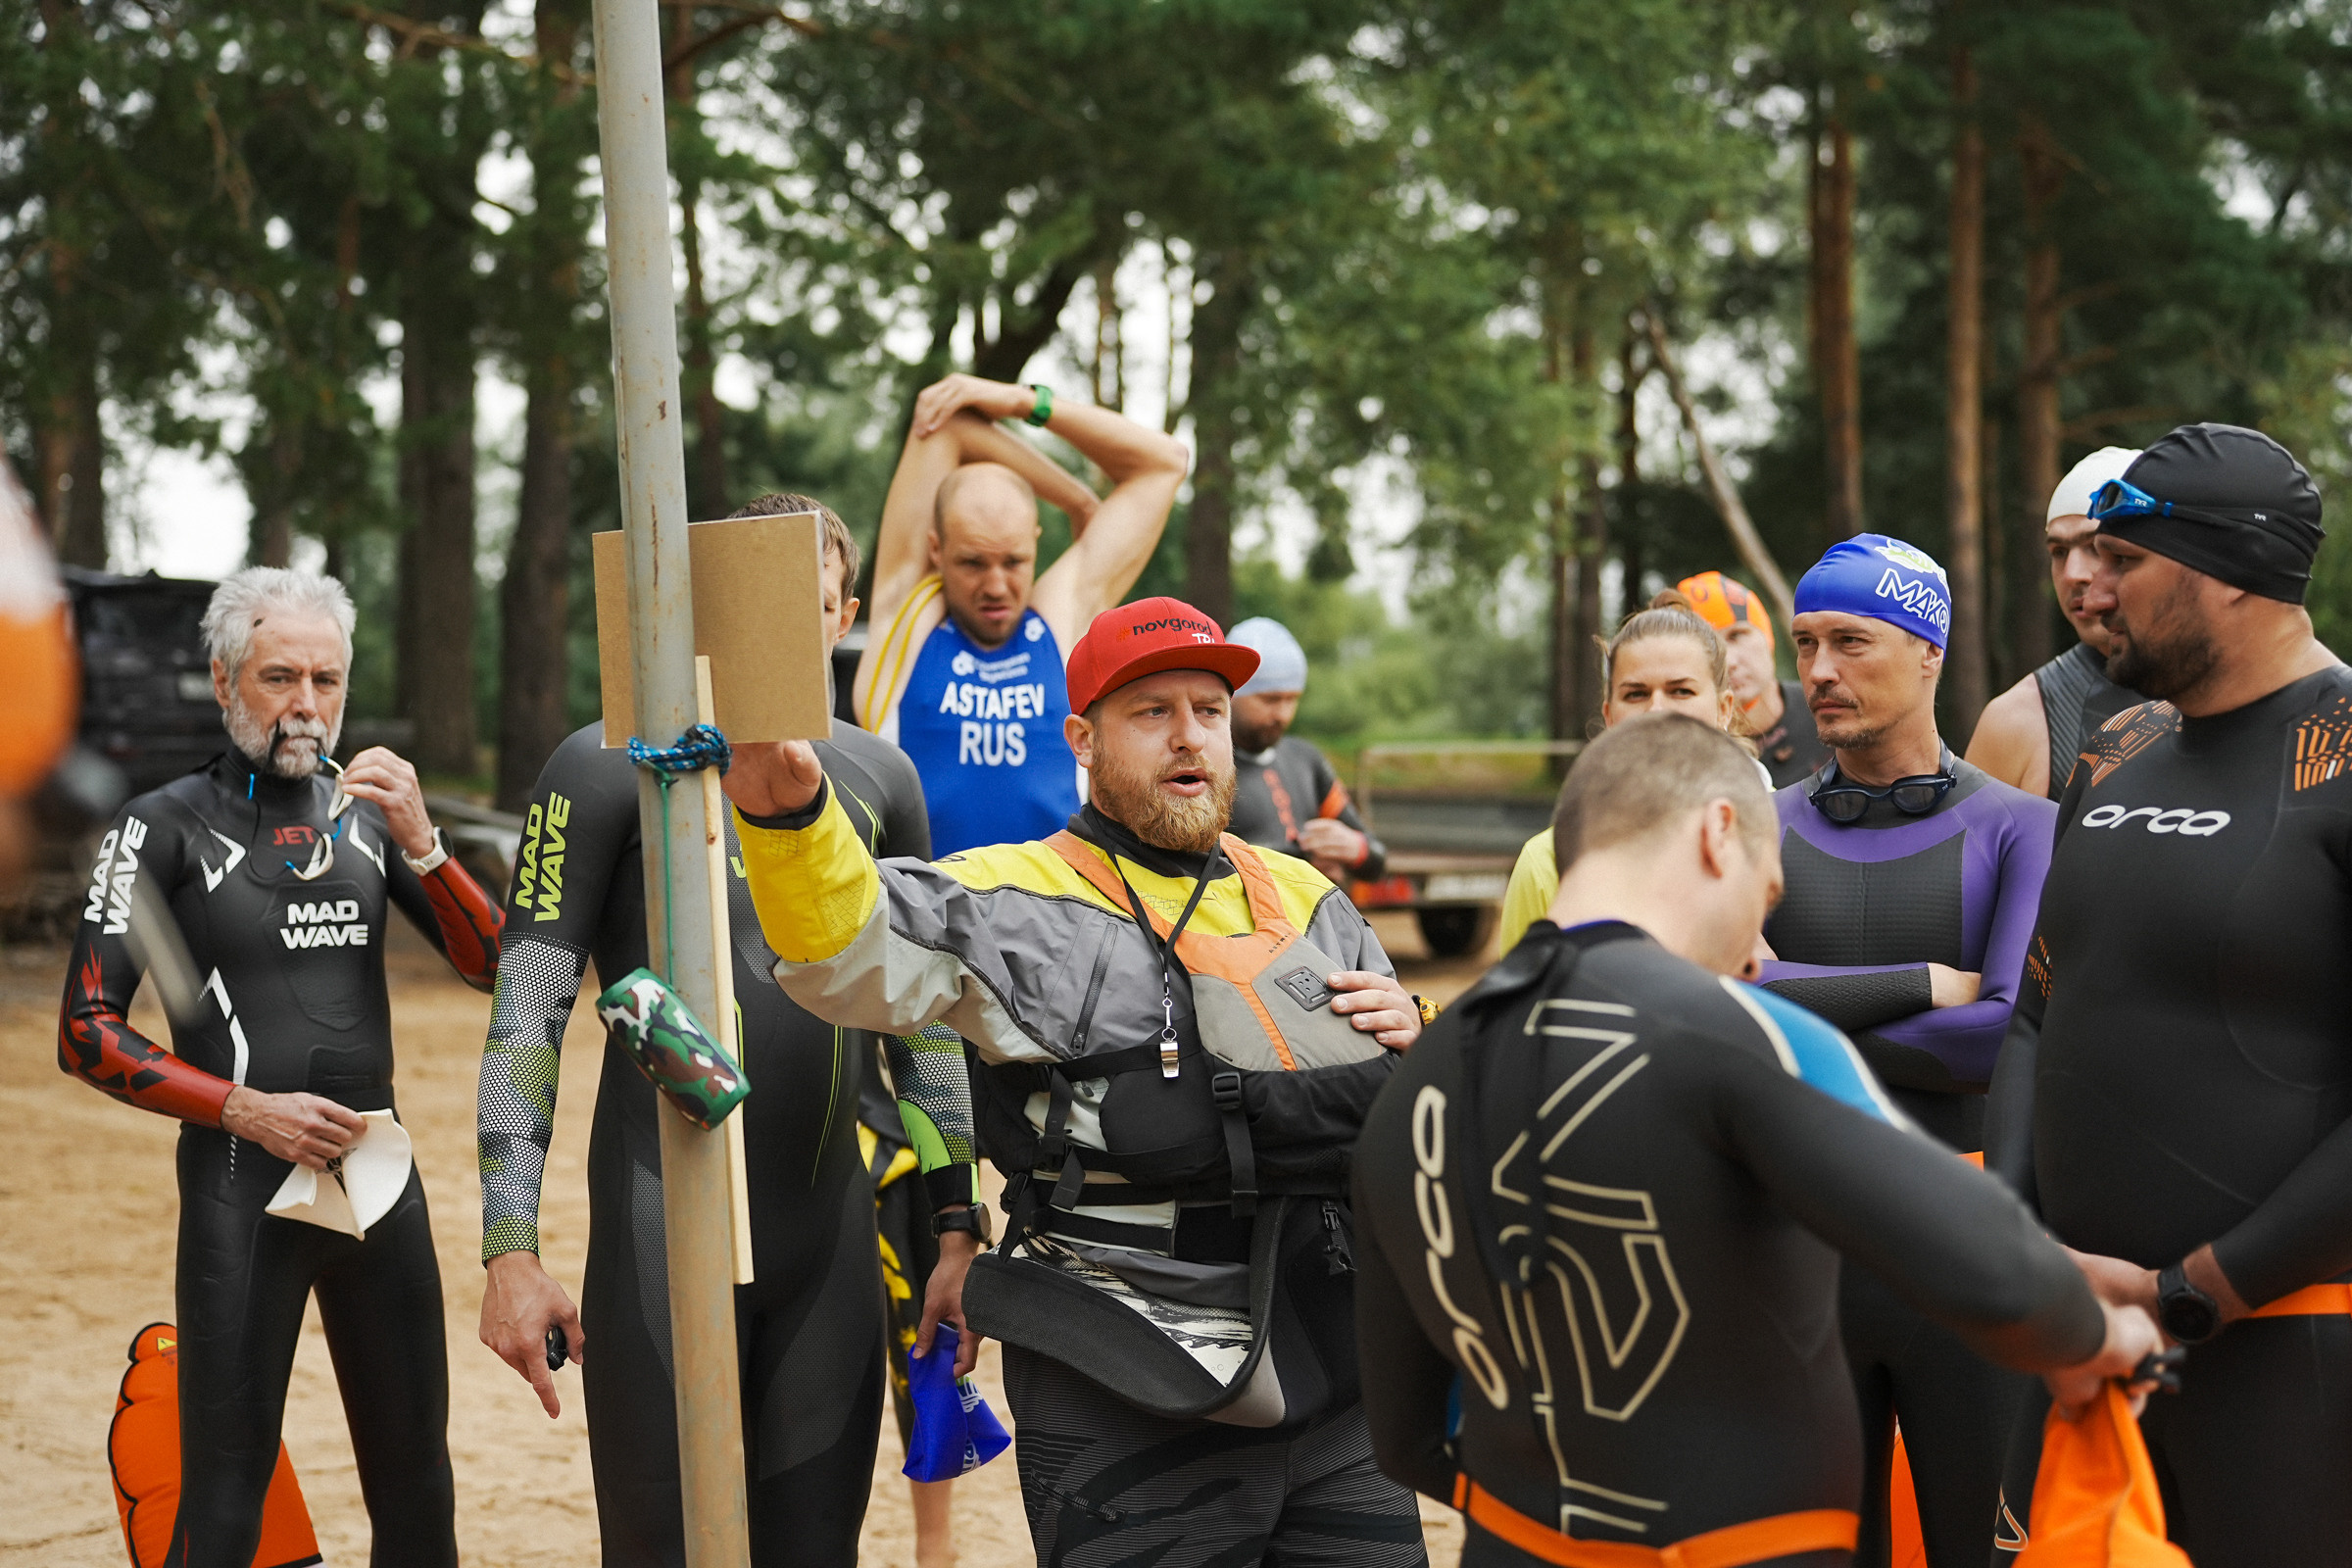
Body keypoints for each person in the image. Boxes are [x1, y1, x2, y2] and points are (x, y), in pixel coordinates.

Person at [1351, 714, 2160, 1568]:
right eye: (1766, 897)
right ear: (1717, 833)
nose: (1750, 962)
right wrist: (2090, 1334)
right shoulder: (1742, 1033)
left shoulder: (1418, 1078)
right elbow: (1977, 1248)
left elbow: (1404, 1437)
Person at [723, 598, 1435, 1568]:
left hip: (1331, 1362)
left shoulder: (1309, 898)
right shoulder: (1014, 896)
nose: (1189, 736)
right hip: (1123, 1361)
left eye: (1209, 710)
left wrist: (1424, 1031)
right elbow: (846, 954)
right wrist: (791, 817)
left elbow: (1416, 1112)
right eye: (1152, 712)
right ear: (1083, 740)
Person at [475, 495, 951, 1567]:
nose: (785, 630)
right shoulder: (603, 765)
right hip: (657, 1236)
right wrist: (510, 1249)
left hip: (824, 1248)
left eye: (811, 605)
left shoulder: (880, 779)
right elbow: (526, 1015)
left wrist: (956, 1225)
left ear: (844, 615)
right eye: (759, 605)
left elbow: (924, 1027)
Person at [58, 566, 504, 1568]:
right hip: (242, 1190)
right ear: (224, 681)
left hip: (379, 1186)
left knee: (420, 1501)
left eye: (326, 680)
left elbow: (500, 972)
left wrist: (427, 846)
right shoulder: (158, 824)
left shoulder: (371, 814)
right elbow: (84, 1028)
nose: (306, 704)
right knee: (224, 1510)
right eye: (279, 677)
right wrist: (244, 1110)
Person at [1984, 424, 2352, 1567]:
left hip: (2287, 1358)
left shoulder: (2345, 756)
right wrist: (2016, 1244)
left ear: (2228, 573)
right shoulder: (2119, 745)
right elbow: (2040, 1007)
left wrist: (2193, 1291)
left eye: (2123, 559)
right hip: (2087, 1349)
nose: (2090, 589)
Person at [1754, 535, 2056, 1568]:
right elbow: (1717, 1008)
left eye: (1851, 641)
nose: (1818, 671)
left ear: (1930, 650)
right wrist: (1927, 982)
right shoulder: (1758, 826)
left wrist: (1791, 1004)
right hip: (1798, 1250)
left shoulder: (2022, 826)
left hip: (1963, 1248)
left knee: (1980, 1549)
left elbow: (2000, 1042)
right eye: (1805, 643)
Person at [853, 373, 1189, 857]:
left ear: (1035, 544)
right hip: (922, 903)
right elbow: (944, 425)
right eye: (972, 563)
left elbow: (1165, 462)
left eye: (1013, 562)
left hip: (1054, 904)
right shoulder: (907, 617)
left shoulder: (1058, 620)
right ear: (937, 550)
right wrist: (1072, 497)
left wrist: (1023, 401)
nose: (995, 586)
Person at [1499, 590, 1762, 955]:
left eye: (1681, 691)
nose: (1656, 710)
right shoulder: (1547, 863)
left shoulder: (1777, 840)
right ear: (1609, 715)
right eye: (1636, 694)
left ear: (1724, 709)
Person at [1965, 449, 2146, 800]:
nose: (2072, 574)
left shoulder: (2234, 687)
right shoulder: (2016, 720)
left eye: (2095, 546)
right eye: (2059, 552)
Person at [1222, 616, 1387, 885]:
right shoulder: (1204, 768)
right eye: (1270, 699)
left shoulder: (1305, 760)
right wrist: (1303, 865)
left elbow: (1376, 862)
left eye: (1292, 699)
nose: (1283, 714)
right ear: (1231, 693)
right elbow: (1196, 869)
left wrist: (1355, 848)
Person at [1681, 568, 1830, 787]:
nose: (1728, 661)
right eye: (1706, 647)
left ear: (1767, 637)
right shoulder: (1685, 751)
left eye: (1737, 635)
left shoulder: (1829, 708)